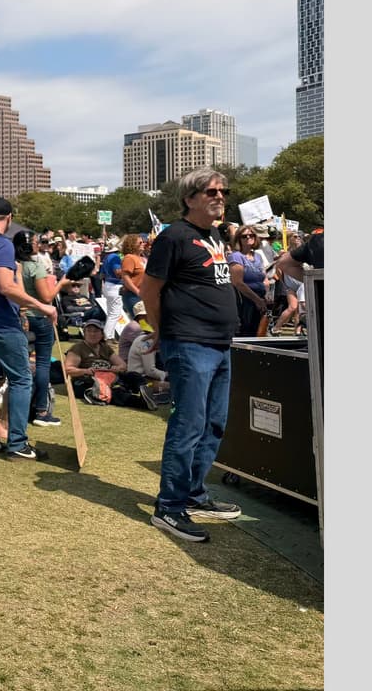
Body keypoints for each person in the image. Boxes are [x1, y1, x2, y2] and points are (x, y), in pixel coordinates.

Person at [140, 167, 243, 543]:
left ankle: (194, 494)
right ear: (189, 198)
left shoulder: (213, 233)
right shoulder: (173, 237)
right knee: (188, 425)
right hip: (189, 344)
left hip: (219, 343)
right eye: (211, 191)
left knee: (214, 423)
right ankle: (169, 506)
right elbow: (149, 290)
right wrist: (160, 330)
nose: (219, 196)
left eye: (223, 190)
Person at [0, 198, 58, 460]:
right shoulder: (2, 245)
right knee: (21, 378)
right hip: (2, 322)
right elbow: (6, 286)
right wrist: (43, 307)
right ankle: (17, 444)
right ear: (8, 217)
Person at [16, 231, 70, 427]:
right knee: (42, 364)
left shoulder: (13, 266)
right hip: (38, 317)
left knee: (21, 365)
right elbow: (47, 298)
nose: (40, 245)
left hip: (20, 318)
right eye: (37, 242)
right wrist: (61, 283)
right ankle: (41, 409)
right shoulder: (34, 266)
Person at [62, 319, 141, 407]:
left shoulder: (105, 347)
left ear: (102, 334)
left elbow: (123, 365)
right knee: (113, 392)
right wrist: (85, 371)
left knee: (135, 376)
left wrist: (116, 368)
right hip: (87, 381)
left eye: (96, 331)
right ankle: (140, 402)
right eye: (89, 331)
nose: (92, 334)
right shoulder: (77, 348)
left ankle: (148, 393)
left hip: (109, 377)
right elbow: (68, 369)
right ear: (84, 333)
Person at [99, 237, 125, 339]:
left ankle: (109, 335)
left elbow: (102, 275)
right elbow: (118, 273)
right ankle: (108, 337)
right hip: (115, 286)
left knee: (111, 314)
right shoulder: (115, 257)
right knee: (114, 314)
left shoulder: (107, 257)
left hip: (108, 285)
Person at [117, 234, 147, 319]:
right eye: (140, 242)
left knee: (148, 325)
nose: (143, 244)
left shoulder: (142, 258)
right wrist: (137, 291)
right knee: (143, 324)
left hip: (144, 294)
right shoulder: (129, 258)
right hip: (133, 295)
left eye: (143, 242)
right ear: (132, 244)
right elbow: (126, 278)